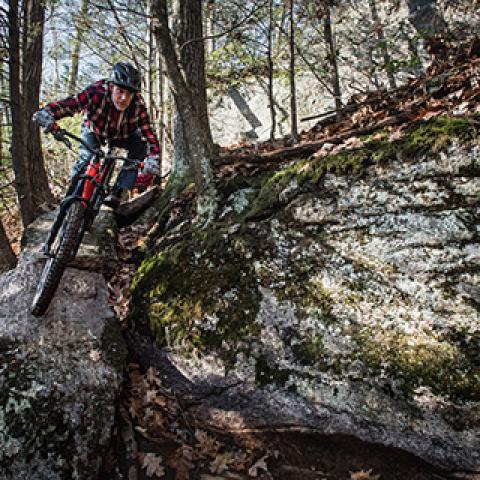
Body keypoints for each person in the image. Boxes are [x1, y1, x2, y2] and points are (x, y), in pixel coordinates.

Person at [33, 62, 160, 209]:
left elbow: (149, 134)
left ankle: (119, 191)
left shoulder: (138, 106)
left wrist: (153, 159)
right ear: (112, 86)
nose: (124, 98)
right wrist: (48, 113)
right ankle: (69, 200)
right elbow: (72, 104)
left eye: (129, 94)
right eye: (120, 91)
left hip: (123, 136)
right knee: (86, 160)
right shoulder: (97, 92)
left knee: (140, 145)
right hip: (94, 131)